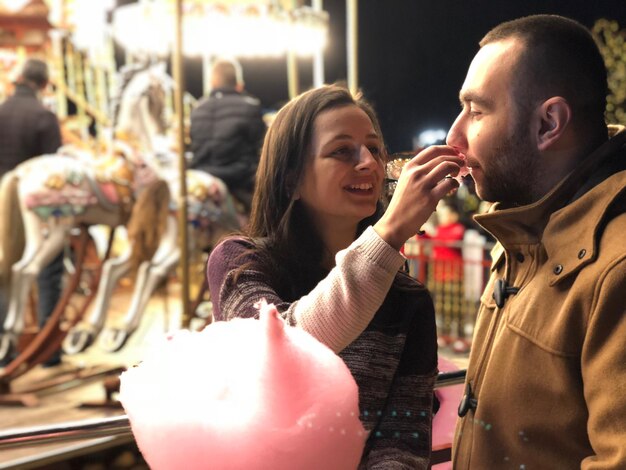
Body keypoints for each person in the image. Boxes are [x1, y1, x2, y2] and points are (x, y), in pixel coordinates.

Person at [207, 84, 464, 468]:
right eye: (342, 151)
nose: (369, 164)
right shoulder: (240, 264)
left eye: (374, 149)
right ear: (291, 178)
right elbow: (277, 353)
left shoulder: (406, 301)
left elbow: (402, 441)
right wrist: (389, 233)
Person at [446, 15, 626, 468]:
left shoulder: (616, 265)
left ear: (549, 123)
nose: (455, 136)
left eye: (477, 110)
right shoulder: (523, 233)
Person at [0, 58, 64, 367]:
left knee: (4, 268)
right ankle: (47, 350)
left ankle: (4, 350)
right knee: (48, 266)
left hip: (1, 200)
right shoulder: (44, 116)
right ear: (42, 84)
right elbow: (55, 173)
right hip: (36, 206)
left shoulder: (1, 111)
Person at [189, 58, 266, 213]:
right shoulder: (250, 107)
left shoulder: (198, 108)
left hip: (201, 176)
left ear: (212, 82)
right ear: (238, 82)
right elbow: (264, 148)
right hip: (237, 179)